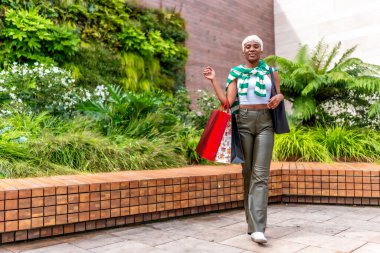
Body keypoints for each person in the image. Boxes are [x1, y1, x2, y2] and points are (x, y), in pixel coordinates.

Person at [202, 35, 283, 244]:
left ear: (261, 50)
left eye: (256, 46)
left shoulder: (271, 72)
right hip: (243, 122)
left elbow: (278, 94)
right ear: (244, 51)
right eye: (248, 46)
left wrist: (279, 97)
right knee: (247, 173)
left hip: (266, 122)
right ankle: (251, 223)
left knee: (261, 174)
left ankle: (258, 228)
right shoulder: (236, 72)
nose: (252, 49)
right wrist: (213, 81)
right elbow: (227, 102)